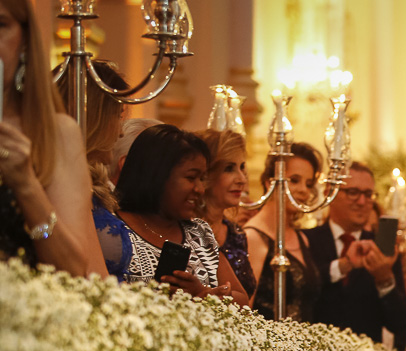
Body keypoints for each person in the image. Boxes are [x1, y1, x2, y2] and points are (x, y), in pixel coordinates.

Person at [0, 0, 104, 276]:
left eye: (1, 25)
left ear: (24, 40)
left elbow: (72, 269)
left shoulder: (55, 134)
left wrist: (26, 186)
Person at [114, 124, 249, 305]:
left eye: (202, 179)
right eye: (191, 178)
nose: (200, 189)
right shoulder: (114, 229)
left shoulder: (199, 232)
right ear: (157, 176)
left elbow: (243, 299)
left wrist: (204, 294)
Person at [307, 161, 406, 346]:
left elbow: (399, 323)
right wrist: (342, 266)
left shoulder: (382, 248)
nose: (362, 202)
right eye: (353, 192)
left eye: (368, 195)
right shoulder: (306, 240)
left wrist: (384, 279)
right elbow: (303, 292)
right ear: (330, 193)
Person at [55, 59, 132, 279]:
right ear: (93, 118)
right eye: (117, 116)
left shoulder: (89, 181)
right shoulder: (63, 180)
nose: (121, 132)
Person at [243, 142, 323, 321]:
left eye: (309, 184)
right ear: (270, 182)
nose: (303, 190)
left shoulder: (302, 238)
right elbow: (244, 312)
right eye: (294, 180)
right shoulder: (253, 237)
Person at [196, 128, 256, 298]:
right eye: (229, 168)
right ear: (207, 173)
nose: (242, 179)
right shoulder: (185, 231)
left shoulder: (236, 234)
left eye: (242, 167)